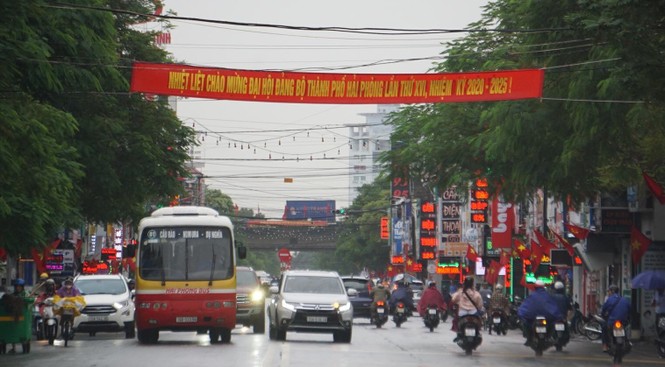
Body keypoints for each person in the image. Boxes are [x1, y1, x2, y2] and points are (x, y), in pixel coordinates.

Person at [518, 280, 563, 346]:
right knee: (553, 323)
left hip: (534, 317)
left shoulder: (532, 296)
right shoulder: (548, 296)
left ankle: (529, 339)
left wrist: (521, 313)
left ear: (535, 287)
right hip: (546, 317)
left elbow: (525, 307)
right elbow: (553, 307)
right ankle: (548, 337)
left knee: (525, 323)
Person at [452, 277, 484, 342]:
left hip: (462, 312)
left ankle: (459, 333)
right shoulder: (476, 293)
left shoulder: (460, 292)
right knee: (479, 321)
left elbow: (453, 299)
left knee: (457, 321)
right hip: (473, 312)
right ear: (472, 284)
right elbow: (480, 305)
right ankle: (478, 333)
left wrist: (457, 302)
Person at [600, 284, 631, 352]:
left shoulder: (609, 299)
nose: (608, 293)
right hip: (623, 321)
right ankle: (628, 341)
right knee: (627, 327)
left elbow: (603, 310)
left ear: (612, 291)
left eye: (609, 291)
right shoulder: (624, 299)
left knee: (604, 328)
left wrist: (603, 315)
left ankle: (605, 345)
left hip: (612, 321)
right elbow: (629, 310)